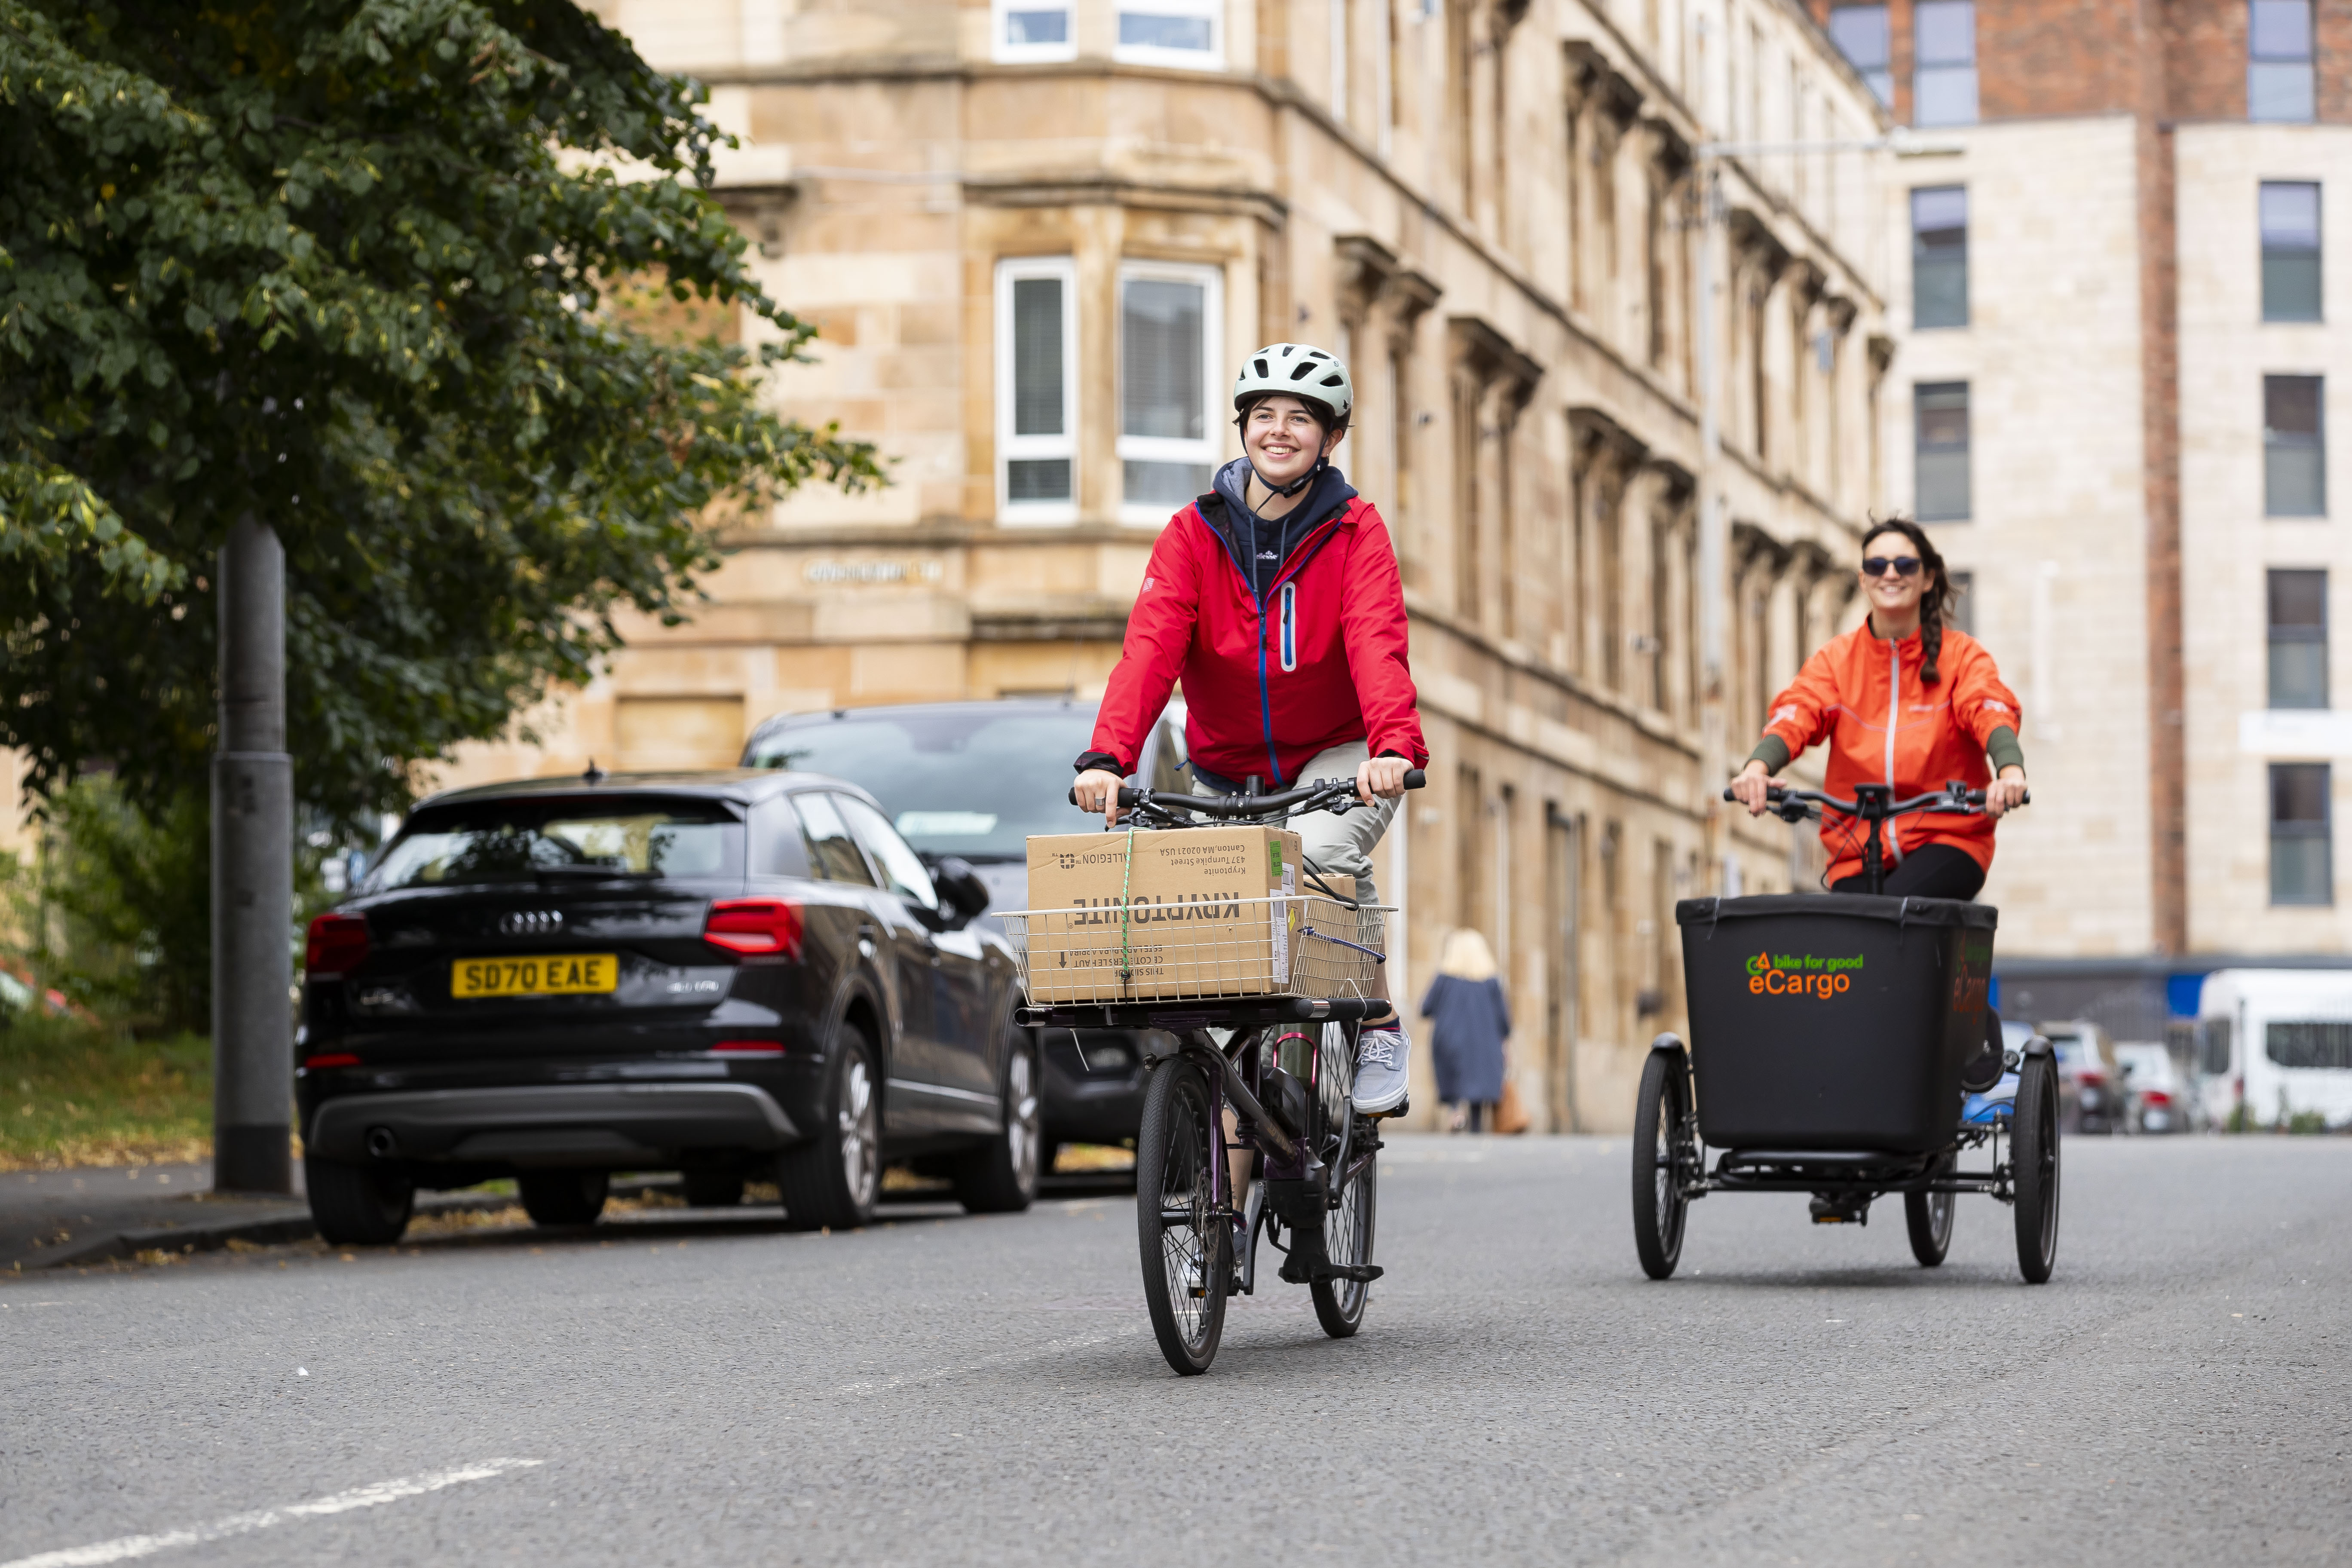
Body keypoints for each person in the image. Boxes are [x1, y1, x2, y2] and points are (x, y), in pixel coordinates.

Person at [1072, 342, 1428, 1115]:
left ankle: (1377, 1022)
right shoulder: (1193, 534)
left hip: (1342, 749)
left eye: (1300, 418)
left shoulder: (1354, 531)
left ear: (1329, 439)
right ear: (1242, 429)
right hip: (1226, 766)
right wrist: (1108, 755)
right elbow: (1150, 648)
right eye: (1263, 415)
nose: (1279, 430)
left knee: (1321, 855)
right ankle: (1219, 1217)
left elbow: (1376, 639)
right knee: (1225, 967)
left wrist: (1392, 747)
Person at [1728, 517, 2029, 900]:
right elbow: (1798, 713)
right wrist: (1757, 770)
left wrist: (2010, 772)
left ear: (1928, 578)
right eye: (1876, 566)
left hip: (1948, 840)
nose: (1890, 574)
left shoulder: (1962, 656)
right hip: (1857, 849)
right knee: (1846, 947)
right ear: (1863, 580)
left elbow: (1990, 708)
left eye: (1905, 565)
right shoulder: (1837, 659)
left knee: (1886, 920)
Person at [1421, 928, 1510, 1133]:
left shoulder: (1444, 978)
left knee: (1453, 1077)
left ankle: (1456, 1113)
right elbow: (1503, 1019)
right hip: (1484, 1041)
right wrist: (1506, 1042)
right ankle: (1476, 1128)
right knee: (1477, 1083)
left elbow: (1426, 1008)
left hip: (1449, 1037)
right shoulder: (1491, 982)